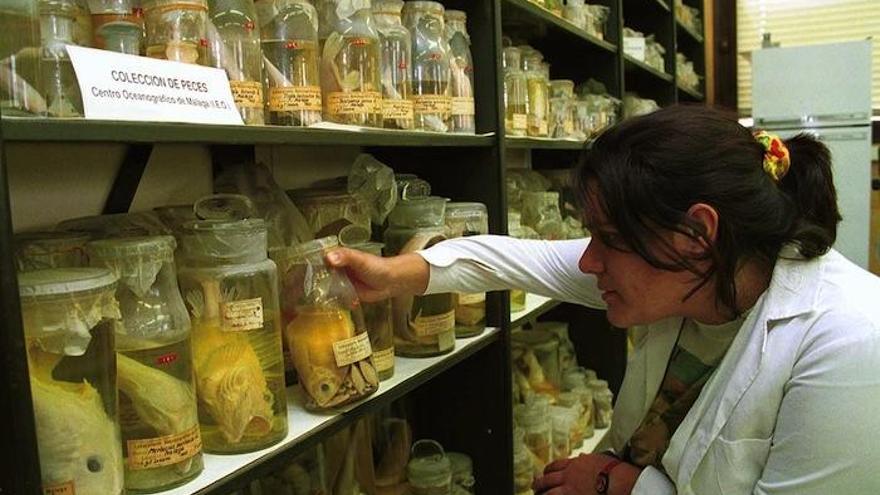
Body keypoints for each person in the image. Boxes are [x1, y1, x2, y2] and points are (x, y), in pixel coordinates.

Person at [325, 105, 880, 494]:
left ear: (697, 233)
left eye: (609, 240)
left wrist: (623, 483)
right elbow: (512, 259)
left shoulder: (849, 337)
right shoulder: (693, 272)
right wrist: (392, 272)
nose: (588, 262)